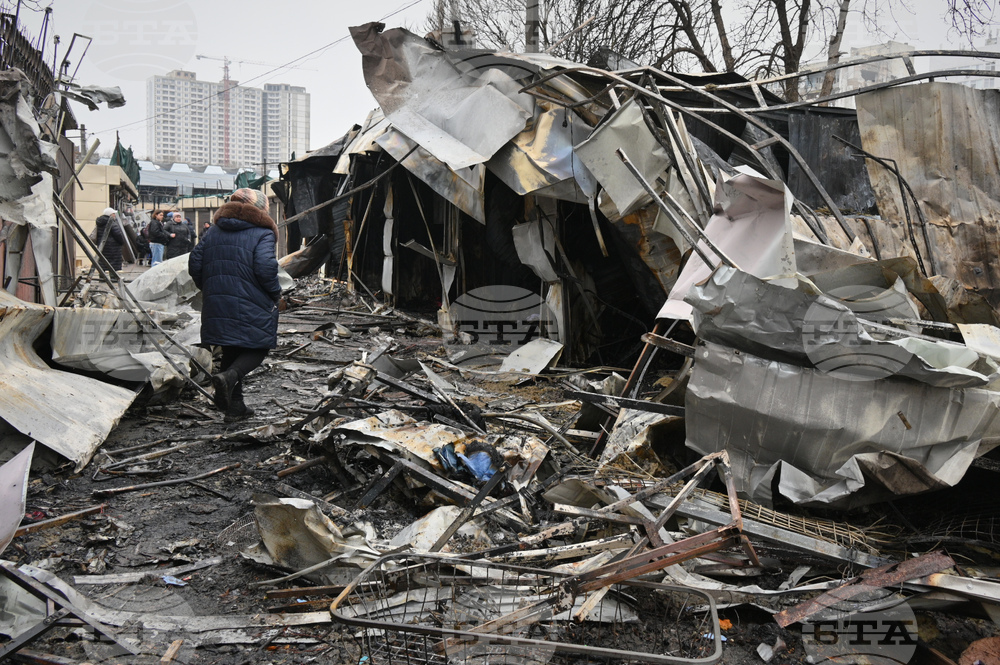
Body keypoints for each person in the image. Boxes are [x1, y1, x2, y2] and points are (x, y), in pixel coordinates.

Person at [189, 188, 281, 422]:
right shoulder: (262, 232)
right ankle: (229, 377)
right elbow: (266, 267)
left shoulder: (214, 231)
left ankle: (235, 407)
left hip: (217, 298)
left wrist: (210, 287)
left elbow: (195, 262)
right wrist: (274, 292)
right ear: (260, 209)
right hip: (253, 297)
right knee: (259, 346)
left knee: (231, 348)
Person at [94, 207, 125, 273]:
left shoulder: (100, 222)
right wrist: (121, 242)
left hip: (102, 246)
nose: (114, 215)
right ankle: (113, 277)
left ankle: (102, 277)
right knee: (113, 264)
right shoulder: (111, 222)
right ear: (110, 214)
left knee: (102, 261)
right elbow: (117, 234)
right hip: (113, 247)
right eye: (113, 214)